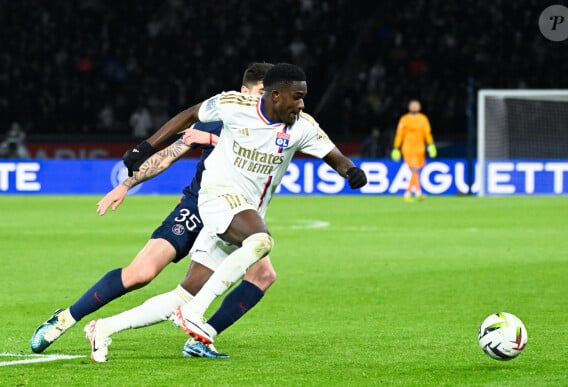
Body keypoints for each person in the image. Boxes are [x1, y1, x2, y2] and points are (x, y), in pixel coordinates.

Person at [30, 62, 275, 361]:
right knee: (140, 273)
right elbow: (168, 156)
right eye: (260, 92)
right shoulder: (217, 116)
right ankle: (66, 318)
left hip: (236, 215)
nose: (263, 100)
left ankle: (204, 336)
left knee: (258, 275)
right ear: (243, 91)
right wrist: (126, 184)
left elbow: (259, 150)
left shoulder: (272, 127)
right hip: (197, 208)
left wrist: (212, 140)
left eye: (269, 94)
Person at [123, 62, 368, 348]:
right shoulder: (234, 105)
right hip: (218, 197)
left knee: (242, 279)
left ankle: (106, 329)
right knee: (261, 240)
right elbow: (190, 115)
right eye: (297, 96)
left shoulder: (302, 126)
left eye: (304, 97)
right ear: (276, 95)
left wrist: (350, 171)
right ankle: (194, 313)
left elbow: (333, 155)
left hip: (248, 208)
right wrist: (146, 147)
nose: (301, 104)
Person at [390, 99, 437, 202]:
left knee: (415, 171)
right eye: (413, 105)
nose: (415, 107)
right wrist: (396, 148)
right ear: (409, 107)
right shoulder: (404, 119)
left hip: (420, 148)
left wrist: (431, 145)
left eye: (417, 105)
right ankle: (413, 193)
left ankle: (412, 193)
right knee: (414, 169)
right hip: (408, 147)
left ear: (419, 107)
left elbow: (427, 133)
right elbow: (399, 134)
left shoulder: (423, 119)